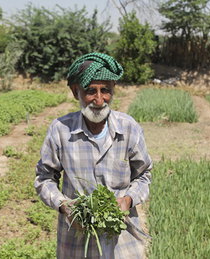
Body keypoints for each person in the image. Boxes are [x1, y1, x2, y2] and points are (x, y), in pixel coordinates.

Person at [34, 52, 152, 258]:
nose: (99, 100)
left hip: (121, 238)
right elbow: (44, 179)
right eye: (90, 91)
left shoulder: (129, 128)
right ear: (75, 91)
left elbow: (143, 176)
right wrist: (65, 206)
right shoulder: (60, 130)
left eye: (105, 90)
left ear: (113, 90)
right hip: (77, 239)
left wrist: (128, 200)